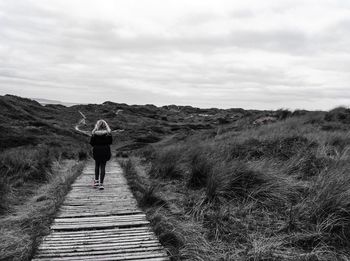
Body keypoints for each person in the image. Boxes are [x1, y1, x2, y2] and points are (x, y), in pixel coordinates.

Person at [90, 119, 113, 190]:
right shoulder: (108, 133)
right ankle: (101, 184)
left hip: (97, 150)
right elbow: (110, 142)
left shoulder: (94, 133)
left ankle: (96, 181)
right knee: (103, 166)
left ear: (97, 125)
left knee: (97, 165)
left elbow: (91, 143)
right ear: (105, 125)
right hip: (105, 150)